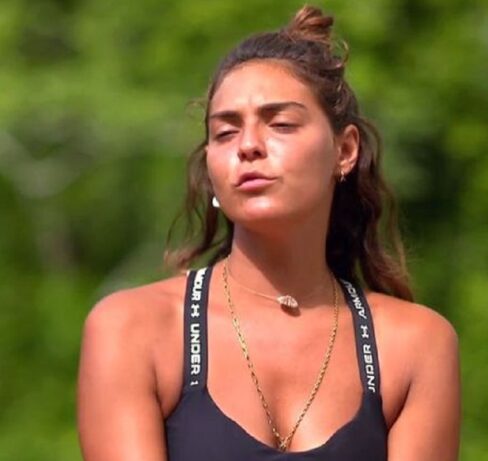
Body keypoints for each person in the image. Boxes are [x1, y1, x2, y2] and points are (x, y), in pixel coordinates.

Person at [76, 5, 460, 461]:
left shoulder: (414, 345)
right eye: (225, 132)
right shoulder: (133, 330)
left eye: (280, 124)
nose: (248, 146)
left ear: (345, 150)